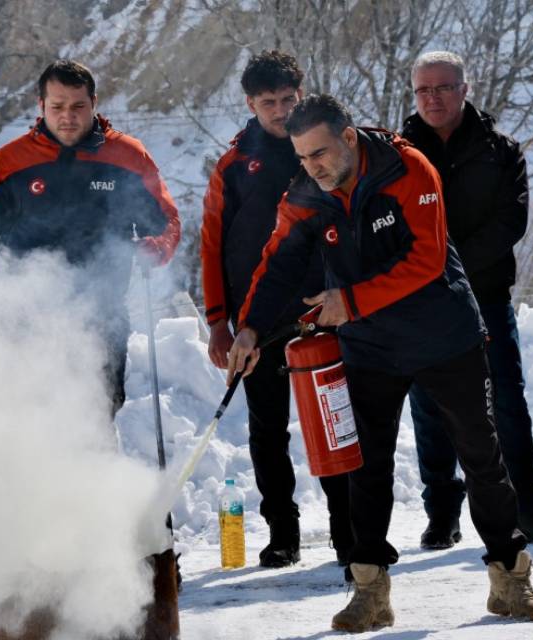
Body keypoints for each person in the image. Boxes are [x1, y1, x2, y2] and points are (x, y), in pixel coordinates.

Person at [227, 95, 533, 632]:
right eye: (303, 157)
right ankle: (369, 590)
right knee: (365, 466)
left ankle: (510, 579)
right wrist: (250, 328)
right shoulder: (307, 191)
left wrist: (347, 303)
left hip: (445, 335)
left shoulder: (407, 167)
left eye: (321, 153)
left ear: (349, 138)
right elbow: (277, 262)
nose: (313, 167)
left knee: (481, 457)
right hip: (370, 348)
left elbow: (424, 260)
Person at [0, 59, 181, 639]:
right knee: (28, 439)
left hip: (100, 322)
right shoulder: (12, 161)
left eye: (78, 107)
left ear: (94, 104)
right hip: (25, 325)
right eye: (58, 108)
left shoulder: (127, 156)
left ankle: (95, 567)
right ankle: (32, 567)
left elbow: (168, 220)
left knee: (91, 432)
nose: (68, 118)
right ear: (41, 107)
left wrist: (156, 244)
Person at [398, 50, 533, 547]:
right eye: (424, 89)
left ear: (465, 89)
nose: (433, 97)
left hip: (485, 298)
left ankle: (527, 510)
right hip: (421, 303)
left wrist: (451, 269)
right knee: (429, 409)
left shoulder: (501, 150)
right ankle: (442, 514)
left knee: (506, 405)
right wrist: (427, 274)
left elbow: (509, 222)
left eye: (444, 87)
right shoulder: (397, 154)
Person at [200, 50, 351, 569]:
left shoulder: (321, 147)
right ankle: (282, 532)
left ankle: (345, 527)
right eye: (269, 102)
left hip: (319, 310)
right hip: (255, 319)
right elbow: (212, 245)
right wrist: (219, 321)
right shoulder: (234, 165)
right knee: (268, 429)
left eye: (289, 99)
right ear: (250, 103)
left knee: (331, 421)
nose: (282, 110)